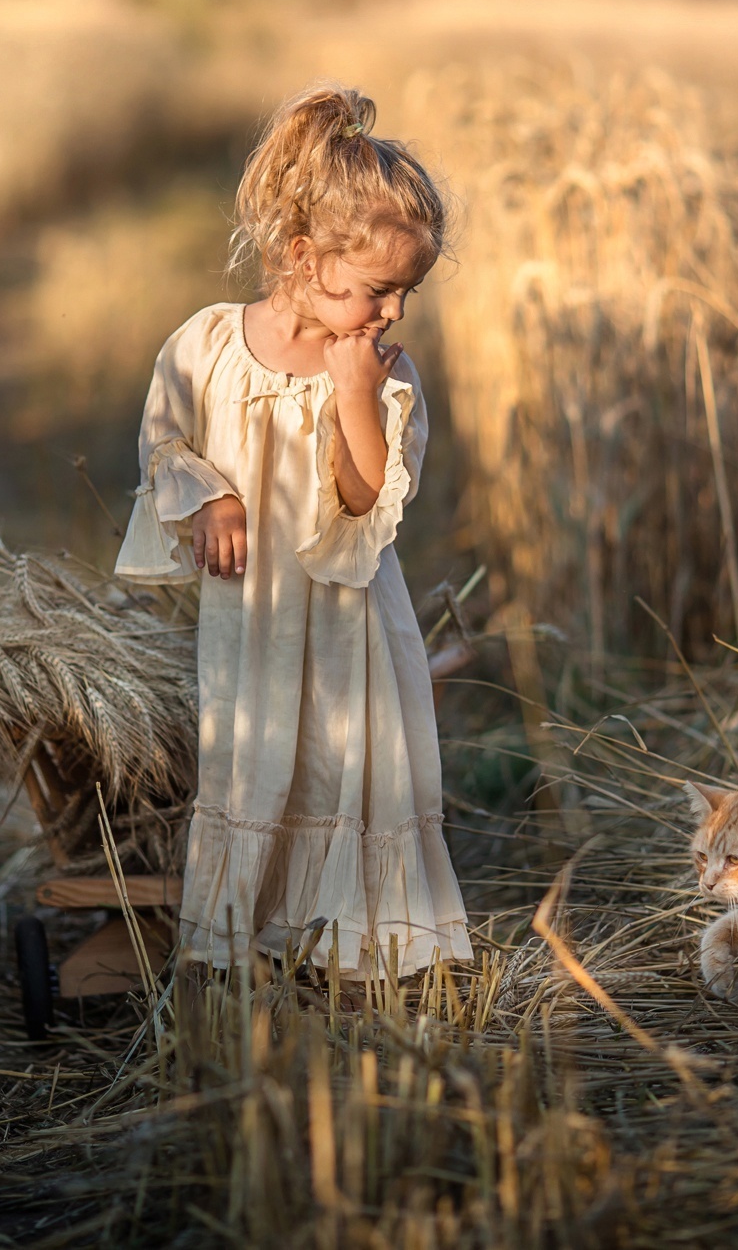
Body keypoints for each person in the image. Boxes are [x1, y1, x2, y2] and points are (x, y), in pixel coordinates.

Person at [114, 83, 472, 980]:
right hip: (251, 618)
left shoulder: (387, 379)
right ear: (306, 259)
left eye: (406, 295)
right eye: (377, 290)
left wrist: (354, 395)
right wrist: (208, 498)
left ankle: (355, 951)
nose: (392, 313)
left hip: (350, 622)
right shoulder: (204, 346)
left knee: (346, 764)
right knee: (256, 756)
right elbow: (164, 442)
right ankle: (246, 941)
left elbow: (363, 498)